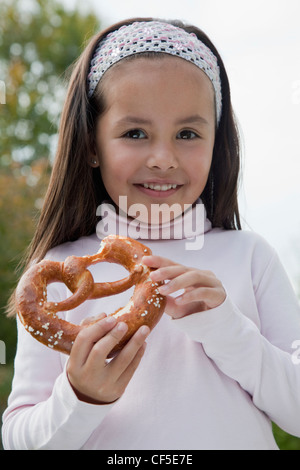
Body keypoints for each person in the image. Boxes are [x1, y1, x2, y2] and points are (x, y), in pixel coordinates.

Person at [2, 18, 300, 451]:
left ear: (217, 144)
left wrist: (229, 332)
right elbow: (17, 439)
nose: (163, 157)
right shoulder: (54, 277)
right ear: (90, 145)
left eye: (187, 133)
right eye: (135, 133)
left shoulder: (251, 257)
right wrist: (81, 397)